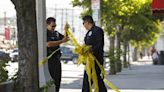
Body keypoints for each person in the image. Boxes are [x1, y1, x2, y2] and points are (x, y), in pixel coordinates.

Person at [82, 15, 107, 92]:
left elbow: (99, 44)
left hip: (96, 60)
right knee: (95, 80)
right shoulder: (88, 33)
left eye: (83, 23)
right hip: (89, 61)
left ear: (87, 22)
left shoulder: (97, 30)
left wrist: (91, 50)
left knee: (90, 79)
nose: (83, 25)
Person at [46, 17, 69, 92]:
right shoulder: (45, 33)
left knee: (57, 80)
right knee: (51, 80)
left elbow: (65, 38)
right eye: (52, 26)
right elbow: (48, 44)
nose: (54, 28)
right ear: (47, 25)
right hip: (49, 60)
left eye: (55, 26)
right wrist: (61, 41)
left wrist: (66, 30)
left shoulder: (56, 33)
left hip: (57, 59)